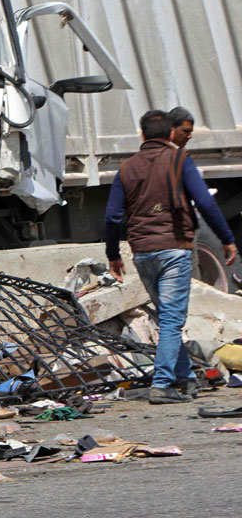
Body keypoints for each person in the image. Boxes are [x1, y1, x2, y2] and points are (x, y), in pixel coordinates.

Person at [105, 110, 237, 404]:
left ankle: (186, 378)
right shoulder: (179, 161)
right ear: (170, 134)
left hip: (141, 252)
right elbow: (204, 201)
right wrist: (227, 239)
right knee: (171, 320)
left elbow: (113, 217)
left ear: (142, 135)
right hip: (174, 248)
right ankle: (162, 384)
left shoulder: (126, 168)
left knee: (167, 317)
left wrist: (113, 253)